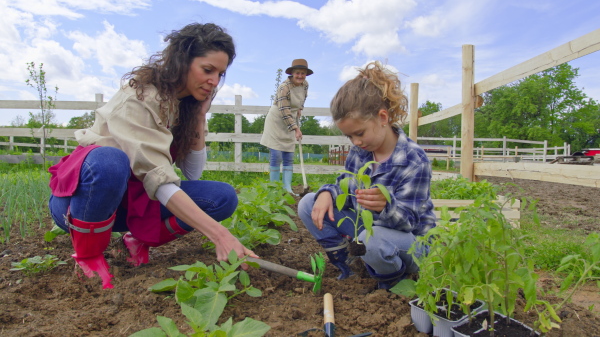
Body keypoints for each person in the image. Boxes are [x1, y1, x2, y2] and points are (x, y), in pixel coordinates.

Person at [47, 22, 256, 289]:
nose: (214, 81)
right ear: (182, 62)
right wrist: (219, 235)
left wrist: (200, 117)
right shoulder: (140, 96)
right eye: (208, 70)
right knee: (110, 161)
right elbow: (159, 179)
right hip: (82, 203)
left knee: (222, 197)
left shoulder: (185, 105)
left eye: (220, 74)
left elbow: (193, 172)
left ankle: (136, 240)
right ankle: (88, 255)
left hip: (132, 204)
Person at [298, 61, 436, 290]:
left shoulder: (413, 159)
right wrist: (327, 194)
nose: (356, 142)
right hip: (369, 232)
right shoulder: (360, 152)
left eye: (359, 133)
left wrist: (385, 206)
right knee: (307, 204)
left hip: (409, 243)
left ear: (382, 117)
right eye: (349, 137)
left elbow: (410, 222)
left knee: (373, 241)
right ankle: (351, 265)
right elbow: (345, 187)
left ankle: (393, 283)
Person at [260, 59, 312, 195]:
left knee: (289, 155)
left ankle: (287, 188)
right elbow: (284, 109)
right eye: (298, 73)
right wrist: (295, 128)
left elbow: (303, 98)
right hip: (277, 121)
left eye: (303, 73)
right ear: (292, 73)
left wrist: (300, 108)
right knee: (276, 155)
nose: (300, 76)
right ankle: (274, 189)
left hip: (292, 119)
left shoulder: (305, 85)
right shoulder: (284, 87)